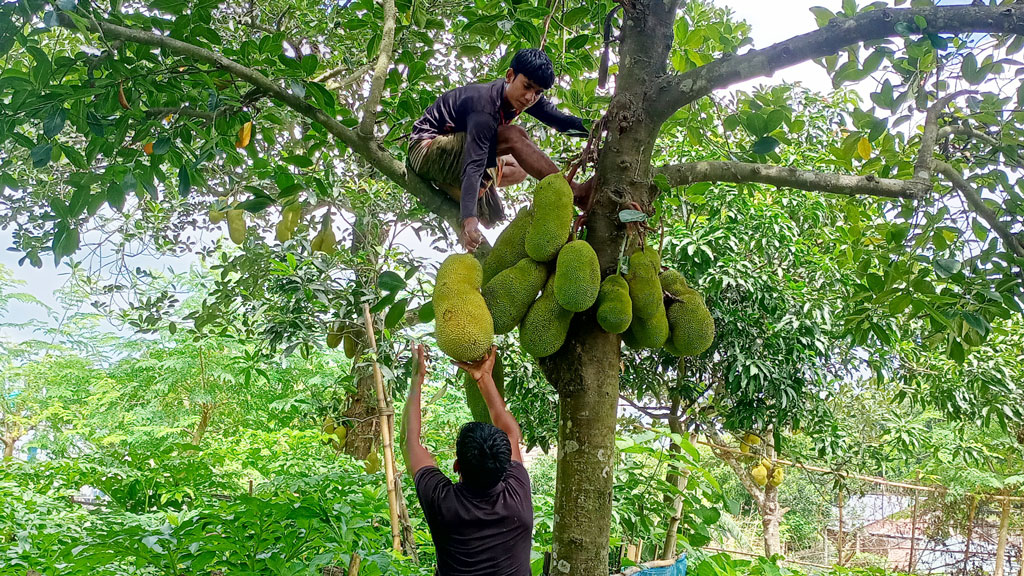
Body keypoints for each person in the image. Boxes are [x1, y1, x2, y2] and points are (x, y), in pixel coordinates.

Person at [408, 47, 594, 253]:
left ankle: (458, 189)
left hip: (457, 151)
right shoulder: (484, 106)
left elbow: (559, 121)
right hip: (425, 149)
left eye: (538, 92)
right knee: (514, 136)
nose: (530, 97)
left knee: (520, 168)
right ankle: (574, 191)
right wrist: (469, 221)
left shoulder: (524, 97)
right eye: (527, 87)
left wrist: (600, 128)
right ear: (510, 76)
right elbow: (474, 162)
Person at [403, 344, 532, 576]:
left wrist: (417, 379)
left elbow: (410, 440)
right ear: (505, 467)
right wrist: (484, 378)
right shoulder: (517, 496)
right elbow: (512, 432)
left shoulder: (442, 502)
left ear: (456, 465)